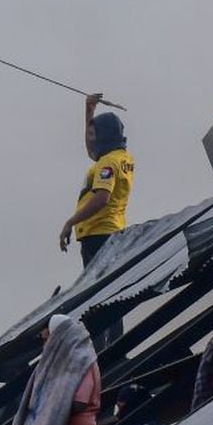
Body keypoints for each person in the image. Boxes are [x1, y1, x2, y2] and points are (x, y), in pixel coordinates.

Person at [59, 93, 134, 349]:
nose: (92, 139)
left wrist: (71, 221)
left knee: (100, 295)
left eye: (95, 133)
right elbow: (92, 150)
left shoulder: (108, 164)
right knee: (111, 291)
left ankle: (104, 349)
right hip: (111, 232)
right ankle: (114, 345)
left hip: (98, 234)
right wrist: (89, 112)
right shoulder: (120, 159)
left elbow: (101, 197)